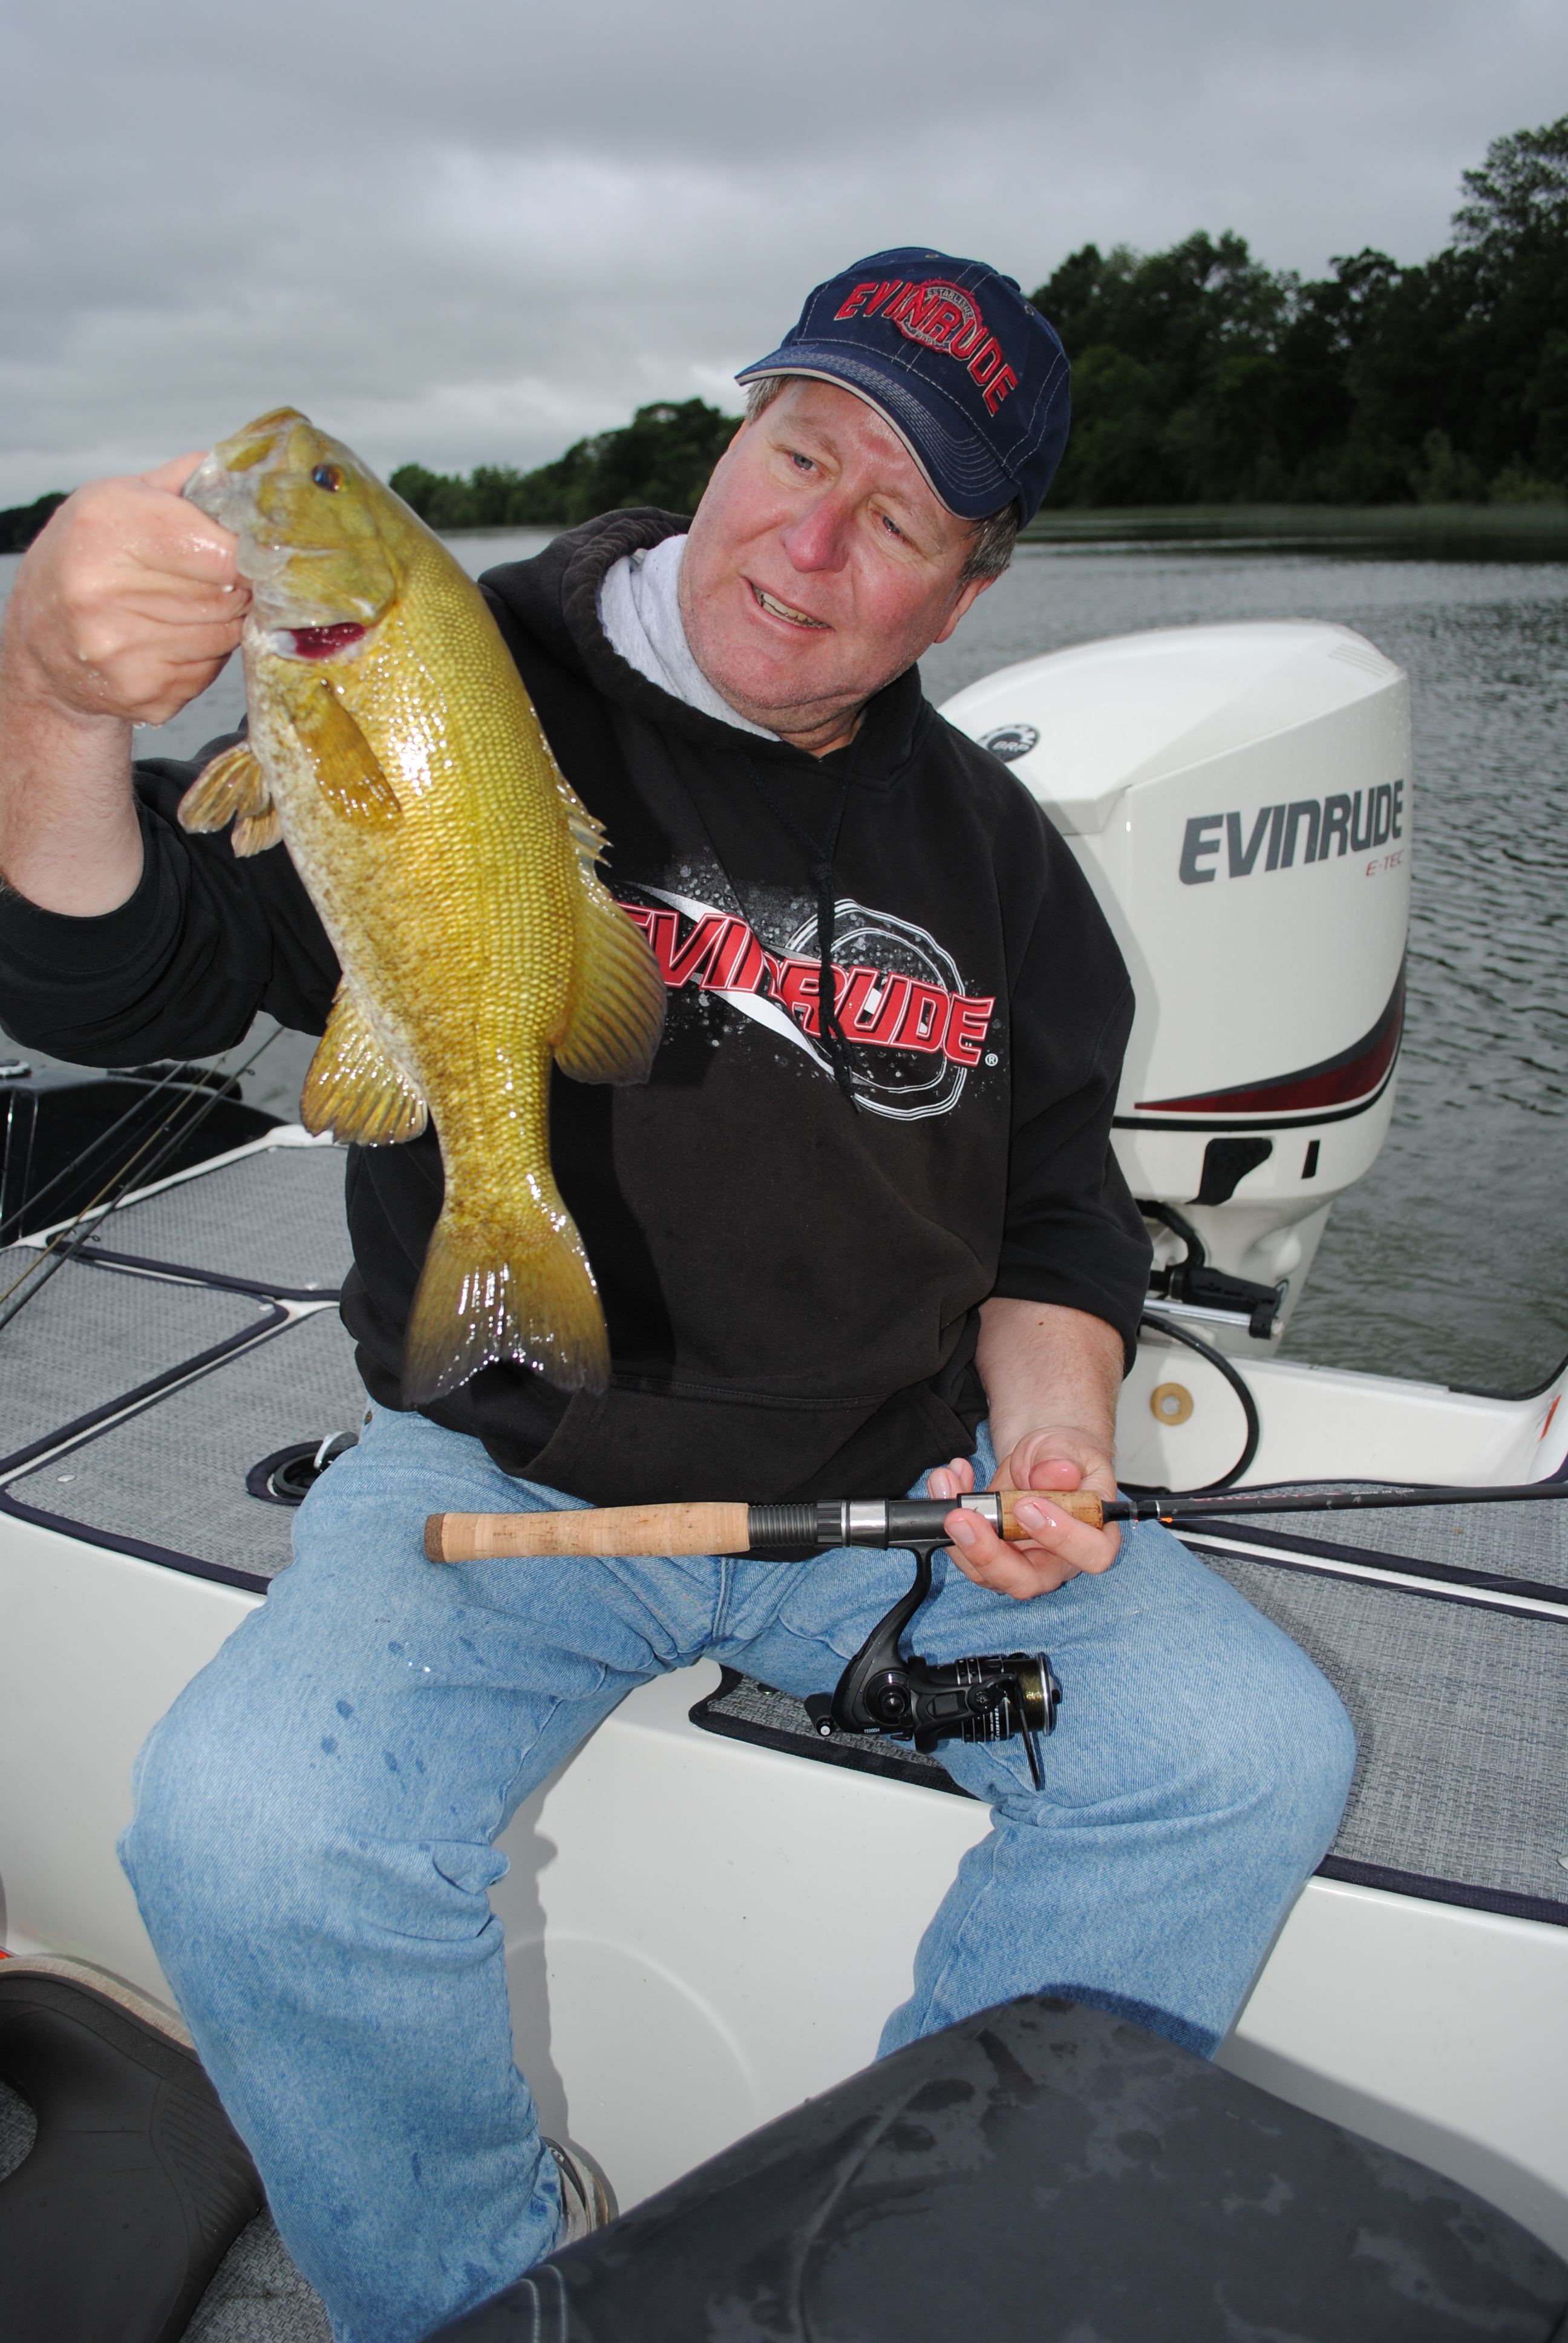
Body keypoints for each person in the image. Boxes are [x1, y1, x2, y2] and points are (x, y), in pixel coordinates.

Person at [0, 249, 1356, 2342]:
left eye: (897, 517)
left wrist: (1061, 1434)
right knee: (251, 1833)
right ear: (731, 436)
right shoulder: (452, 662)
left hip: (900, 1484)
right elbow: (118, 981)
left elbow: (1064, 1208)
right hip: (505, 1458)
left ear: (970, 593)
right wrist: (58, 696)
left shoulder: (993, 850)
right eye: (798, 449)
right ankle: (485, 2302)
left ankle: (902, 2272)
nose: (811, 541)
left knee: (1248, 1754)